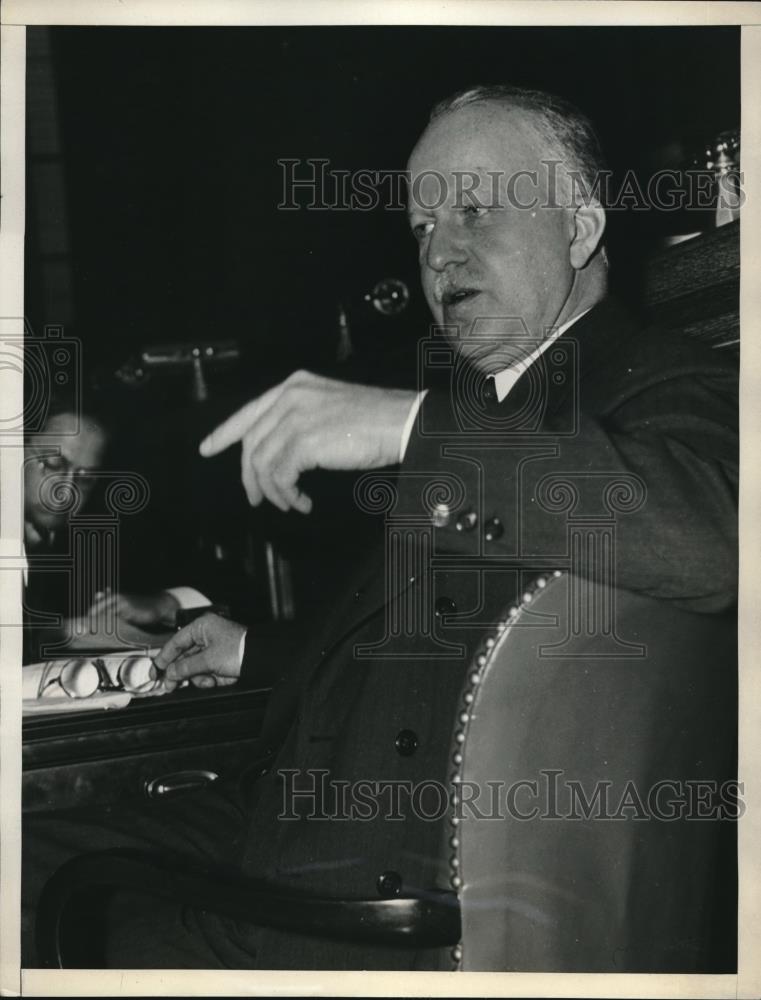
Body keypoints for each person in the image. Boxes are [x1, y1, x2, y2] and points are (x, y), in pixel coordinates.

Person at [22, 86, 738, 970]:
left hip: (371, 894)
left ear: (581, 228)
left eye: (475, 207)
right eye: (423, 226)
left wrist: (407, 427)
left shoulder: (668, 379)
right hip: (285, 816)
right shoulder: (484, 410)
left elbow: (716, 542)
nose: (441, 252)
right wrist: (251, 649)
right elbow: (432, 656)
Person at [23, 391, 212, 660]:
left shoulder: (98, 536)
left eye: (85, 479)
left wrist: (164, 604)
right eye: (53, 464)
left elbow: (232, 585)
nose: (66, 492)